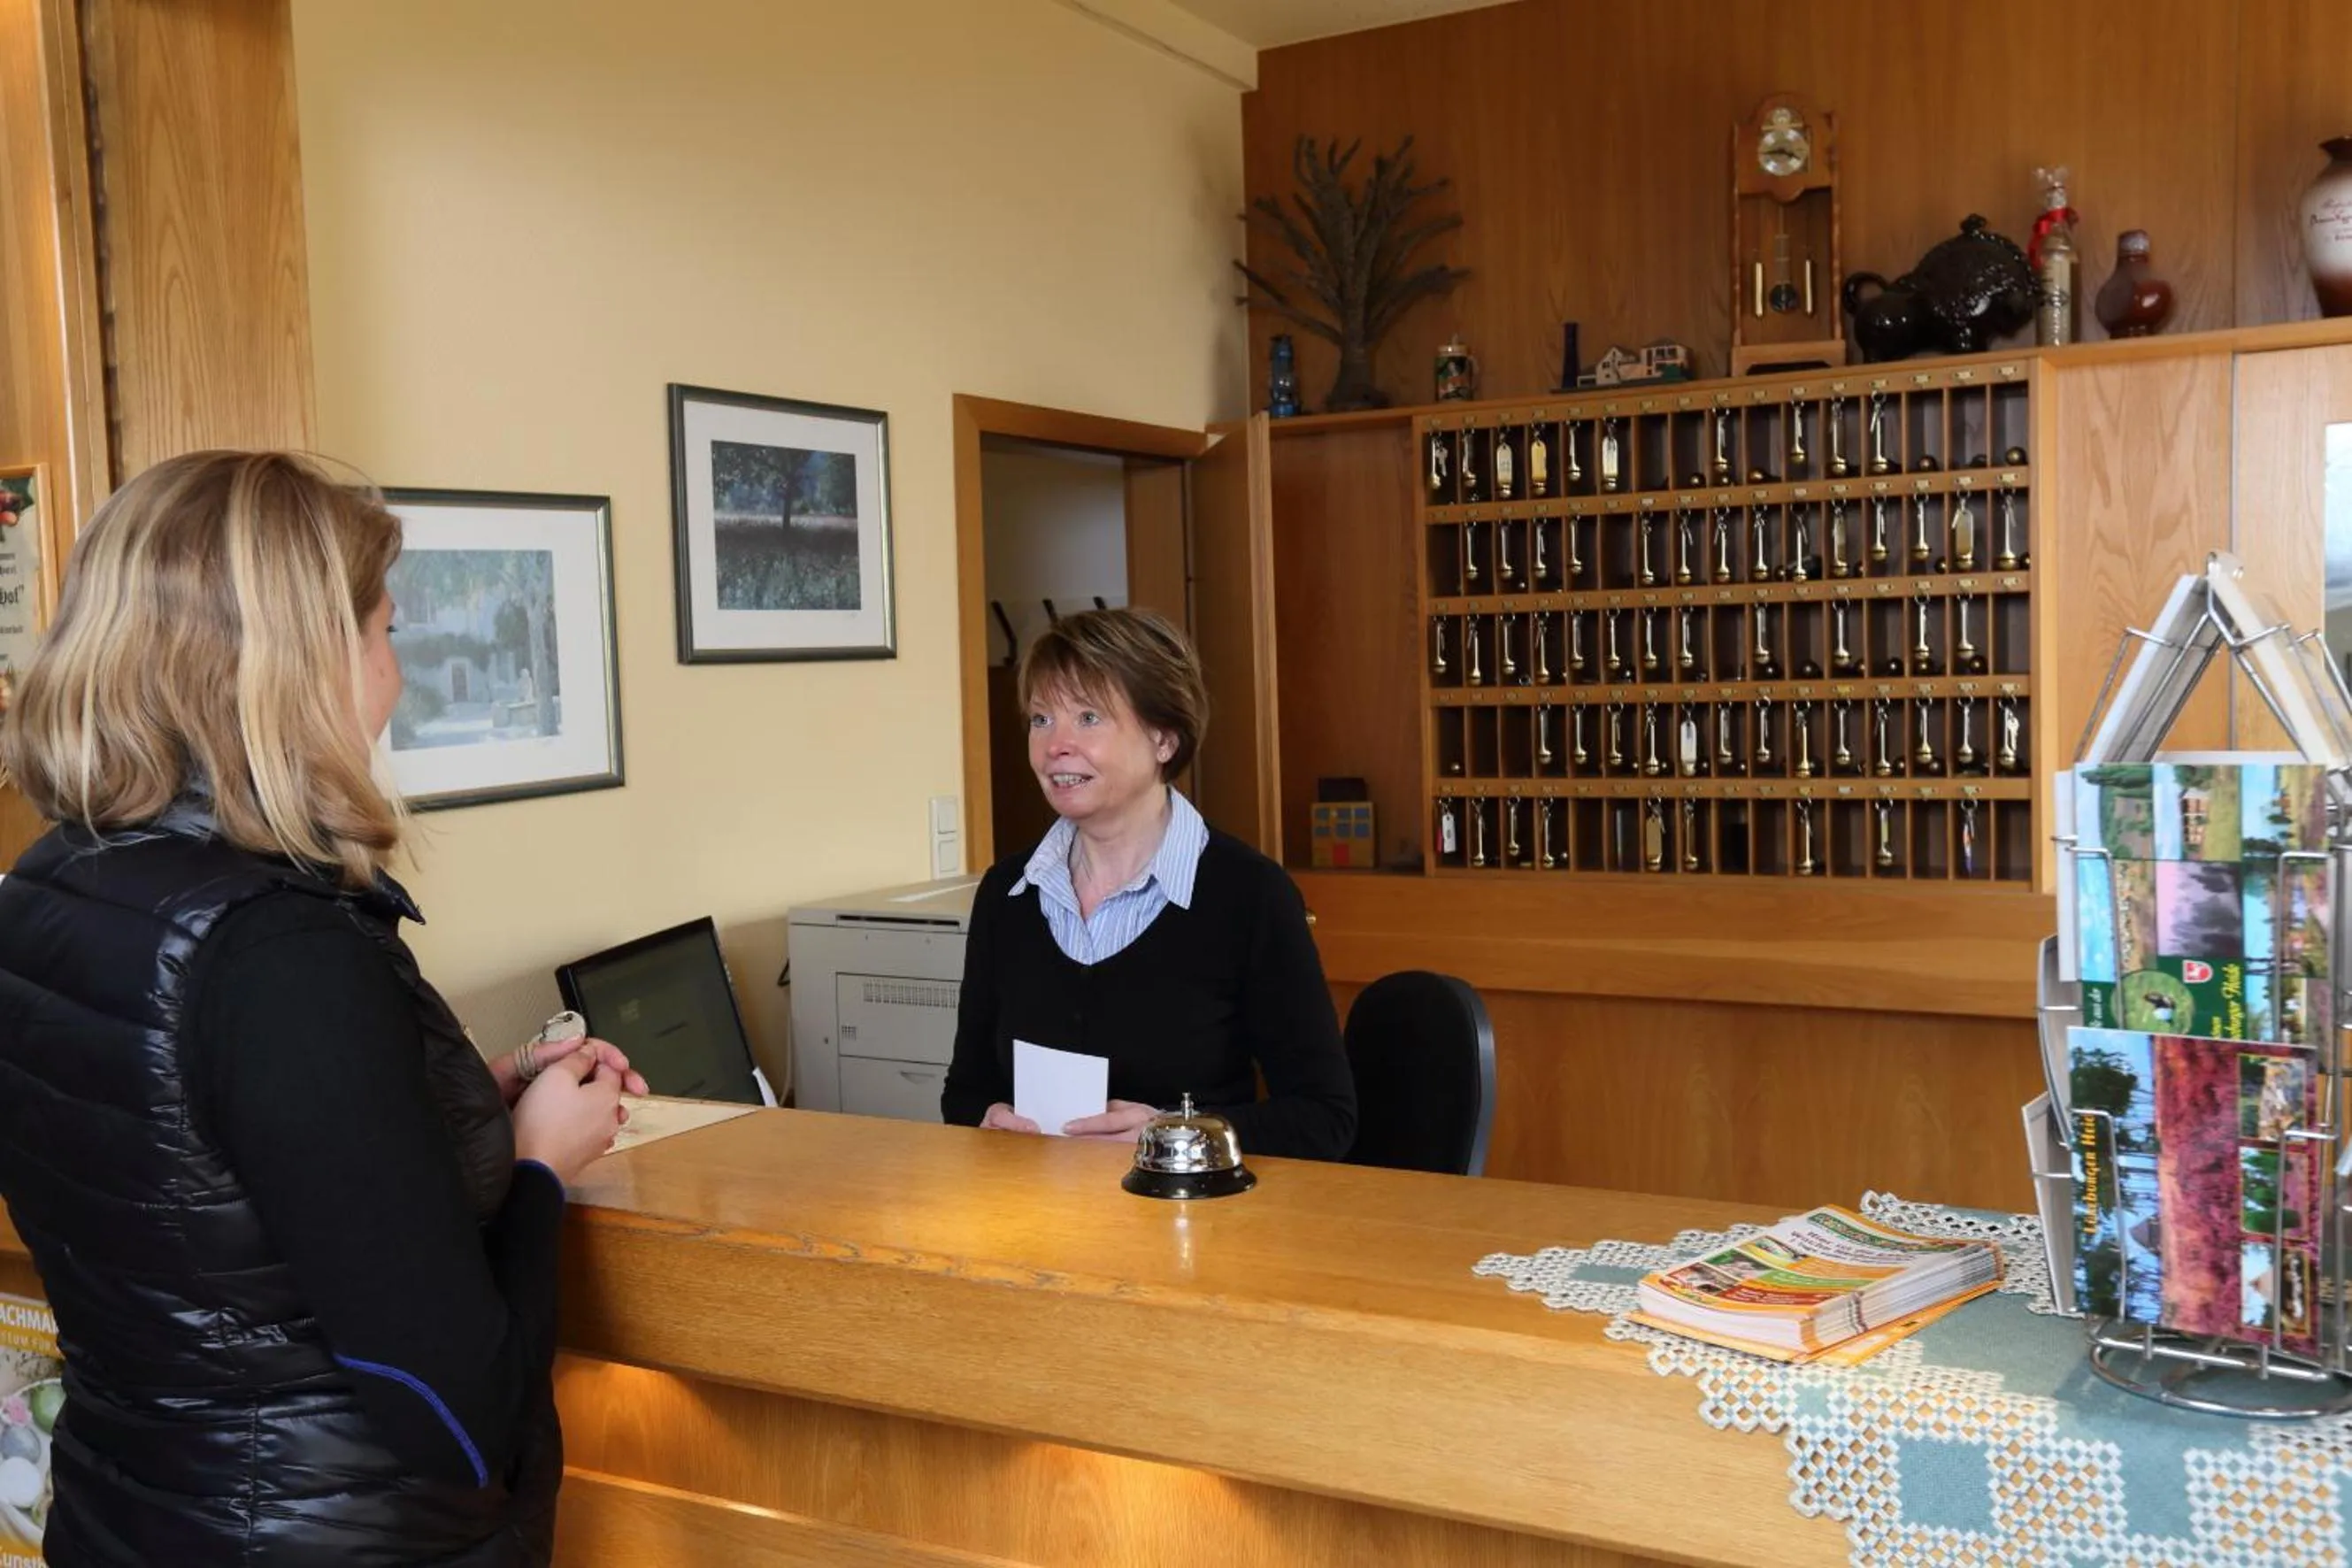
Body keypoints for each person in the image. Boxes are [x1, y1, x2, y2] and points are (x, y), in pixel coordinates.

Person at [0, 451, 647, 1566]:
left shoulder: (43, 888)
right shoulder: (277, 950)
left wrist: (442, 1104)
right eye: (383, 633)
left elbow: (195, 1179)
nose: (395, 676)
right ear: (298, 665)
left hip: (123, 1517)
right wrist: (539, 1167)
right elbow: (456, 1415)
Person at [941, 607, 1355, 1159]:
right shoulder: (1007, 892)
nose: (1055, 744)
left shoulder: (1249, 896)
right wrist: (987, 1117)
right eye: (1041, 719)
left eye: (1088, 718)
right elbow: (965, 1091)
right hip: (1037, 1220)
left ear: (1164, 738)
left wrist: (1173, 1135)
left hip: (1191, 1222)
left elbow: (1325, 1117)